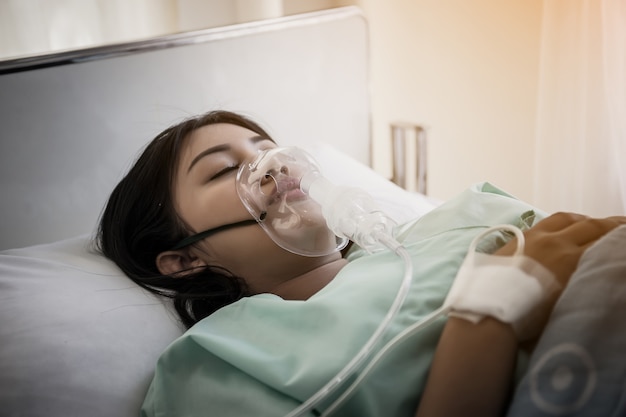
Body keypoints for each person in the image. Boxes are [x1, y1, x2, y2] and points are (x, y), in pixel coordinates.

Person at [97, 110, 626, 417]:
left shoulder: (455, 222)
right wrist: (492, 310)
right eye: (225, 170)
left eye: (271, 149)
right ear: (183, 260)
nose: (276, 166)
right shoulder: (213, 365)